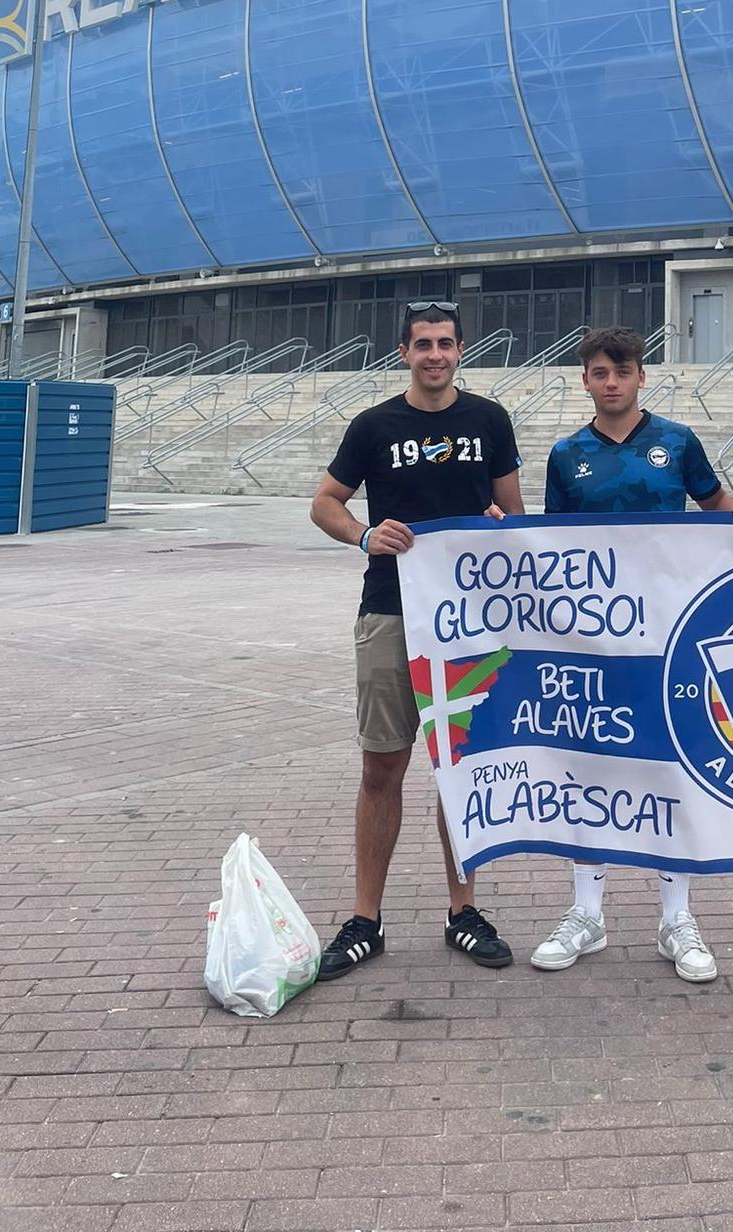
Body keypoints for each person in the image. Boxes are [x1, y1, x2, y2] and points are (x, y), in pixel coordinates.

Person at [310, 299, 525, 977]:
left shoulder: (488, 419)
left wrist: (498, 524)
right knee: (382, 767)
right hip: (391, 613)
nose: (435, 355)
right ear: (403, 353)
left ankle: (463, 911)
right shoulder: (374, 425)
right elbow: (324, 503)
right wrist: (364, 535)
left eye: (446, 343)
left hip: (470, 621)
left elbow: (513, 514)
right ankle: (365, 919)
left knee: (461, 768)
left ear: (461, 350)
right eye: (423, 344)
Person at [532, 325, 733, 983]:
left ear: (642, 376)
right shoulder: (567, 454)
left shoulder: (676, 441)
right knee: (588, 763)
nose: (612, 382)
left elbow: (720, 507)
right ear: (585, 380)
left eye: (622, 371)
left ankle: (676, 918)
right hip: (593, 638)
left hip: (668, 635)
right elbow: (551, 545)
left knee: (670, 764)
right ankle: (586, 913)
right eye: (600, 372)